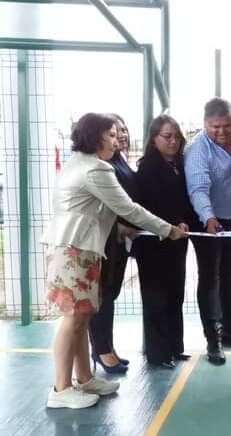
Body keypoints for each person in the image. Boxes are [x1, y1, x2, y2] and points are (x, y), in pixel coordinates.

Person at [41, 113, 185, 409]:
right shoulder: (96, 169)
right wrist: (167, 229)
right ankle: (60, 389)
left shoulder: (80, 163)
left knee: (82, 317)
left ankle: (84, 378)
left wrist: (120, 228)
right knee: (72, 319)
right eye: (110, 135)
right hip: (75, 251)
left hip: (81, 249)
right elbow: (128, 208)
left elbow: (93, 210)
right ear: (95, 138)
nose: (117, 139)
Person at [185, 98, 231, 365]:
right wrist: (209, 218)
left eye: (227, 125)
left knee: (230, 273)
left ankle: (230, 330)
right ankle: (213, 339)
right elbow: (198, 189)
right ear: (205, 124)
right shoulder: (197, 149)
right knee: (209, 277)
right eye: (215, 126)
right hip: (206, 220)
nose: (222, 131)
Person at [134, 115, 198, 369]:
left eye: (177, 137)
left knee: (175, 294)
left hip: (176, 241)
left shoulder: (179, 165)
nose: (173, 141)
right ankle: (158, 354)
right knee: (156, 298)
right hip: (153, 244)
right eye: (167, 136)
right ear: (154, 140)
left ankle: (174, 347)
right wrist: (174, 221)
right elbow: (151, 205)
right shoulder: (148, 167)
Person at [88, 114, 136, 374]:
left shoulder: (119, 160)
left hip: (120, 240)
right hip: (106, 239)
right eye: (115, 133)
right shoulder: (100, 165)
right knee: (103, 296)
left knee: (111, 294)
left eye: (124, 130)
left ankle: (107, 346)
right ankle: (101, 349)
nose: (121, 136)